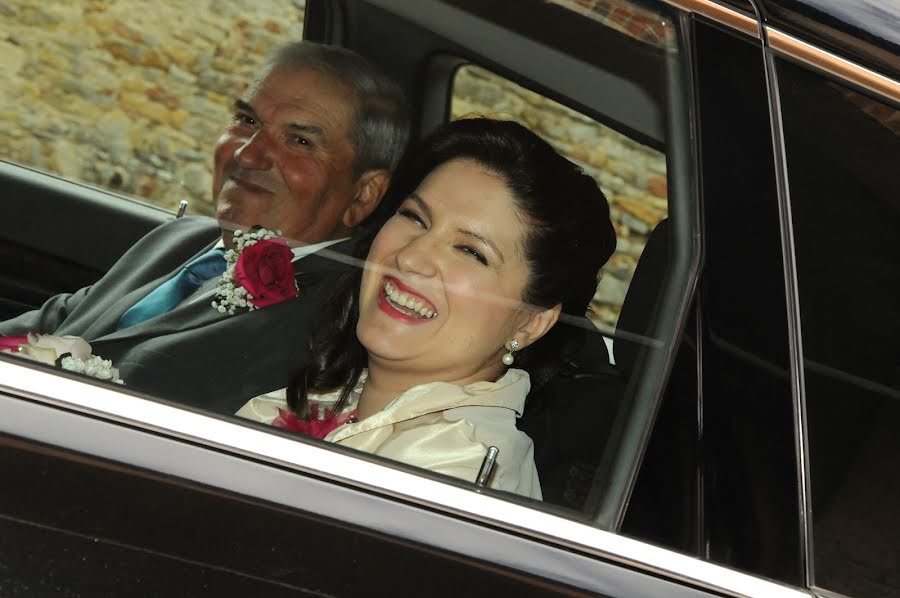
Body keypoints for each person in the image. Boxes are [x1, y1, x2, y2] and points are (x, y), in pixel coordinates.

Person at [0, 42, 409, 413]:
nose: (249, 154)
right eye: (246, 120)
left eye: (299, 141)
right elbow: (50, 326)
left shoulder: (336, 327)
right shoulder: (180, 238)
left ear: (363, 195)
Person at [237, 118, 616, 498]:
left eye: (471, 252)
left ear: (531, 323)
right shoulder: (325, 399)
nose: (412, 256)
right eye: (414, 217)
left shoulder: (461, 473)